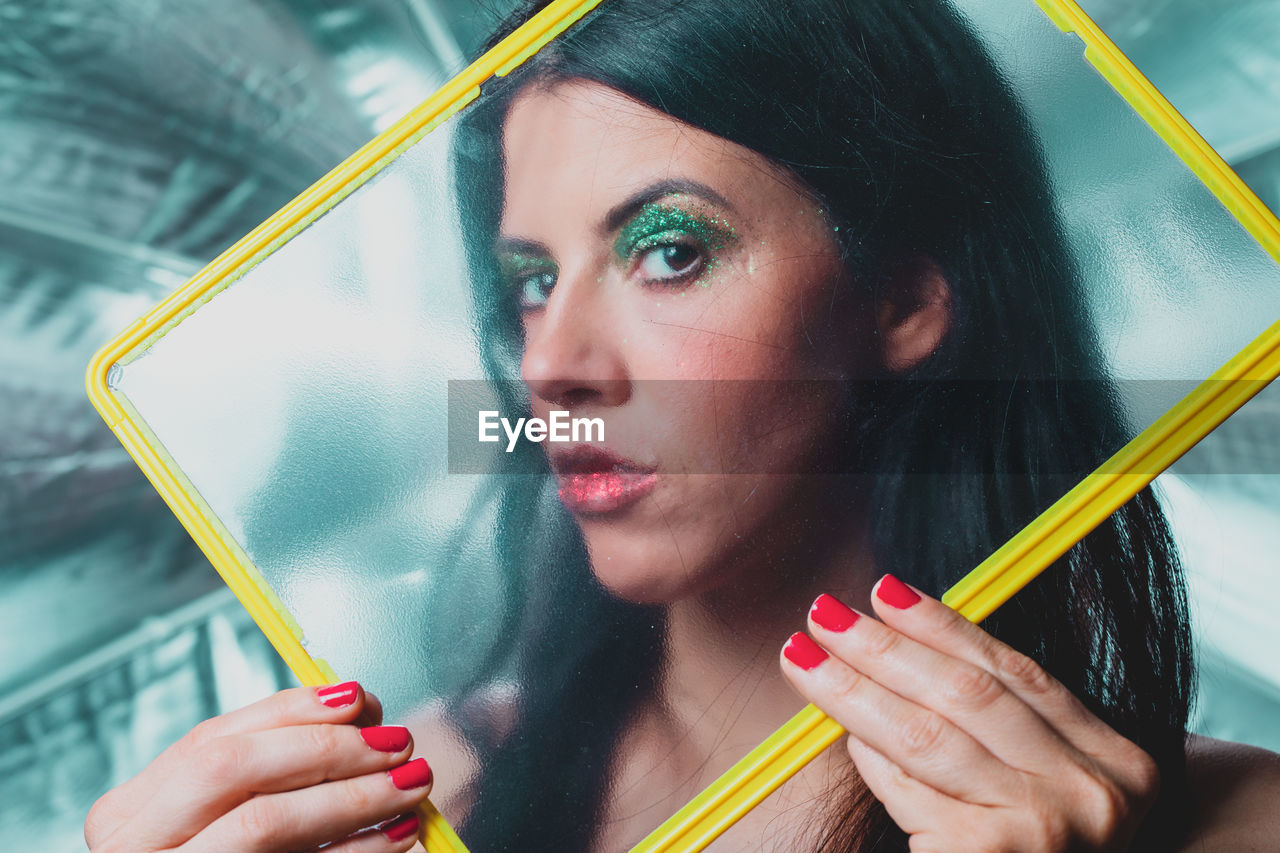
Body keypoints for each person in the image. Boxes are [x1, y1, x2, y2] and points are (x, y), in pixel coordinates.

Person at [85, 0, 1280, 851]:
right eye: (529, 282)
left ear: (905, 302)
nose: (549, 366)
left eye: (667, 251)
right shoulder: (397, 801)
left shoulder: (1232, 825)